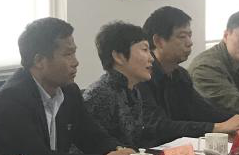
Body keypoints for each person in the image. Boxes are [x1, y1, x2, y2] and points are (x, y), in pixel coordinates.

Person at [0, 18, 133, 155]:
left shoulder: (69, 92)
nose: (76, 62)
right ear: (39, 61)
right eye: (68, 54)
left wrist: (123, 153)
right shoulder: (12, 98)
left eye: (74, 53)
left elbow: (93, 137)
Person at [84, 21, 213, 148]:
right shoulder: (100, 94)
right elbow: (93, 147)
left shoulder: (133, 89)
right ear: (119, 56)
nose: (151, 58)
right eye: (144, 50)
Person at [138, 6, 239, 135]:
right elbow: (157, 126)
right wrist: (216, 128)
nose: (190, 43)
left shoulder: (180, 75)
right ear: (158, 41)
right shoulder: (141, 77)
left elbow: (203, 110)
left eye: (189, 36)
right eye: (182, 37)